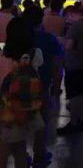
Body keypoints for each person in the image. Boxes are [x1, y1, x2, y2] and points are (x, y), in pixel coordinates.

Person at [0, 18, 44, 168]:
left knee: (4, 146)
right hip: (24, 107)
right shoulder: (35, 54)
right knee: (20, 145)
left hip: (6, 107)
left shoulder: (4, 55)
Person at [23, 6, 63, 168]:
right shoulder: (50, 39)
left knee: (20, 122)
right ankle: (39, 155)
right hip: (42, 86)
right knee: (41, 123)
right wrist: (56, 87)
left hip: (20, 87)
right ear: (41, 20)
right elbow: (56, 66)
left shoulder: (20, 38)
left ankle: (22, 155)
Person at [57, 5, 83, 136]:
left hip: (73, 65)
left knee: (74, 96)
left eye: (67, 17)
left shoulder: (75, 27)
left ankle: (73, 123)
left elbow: (69, 46)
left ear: (72, 14)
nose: (67, 20)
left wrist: (59, 40)